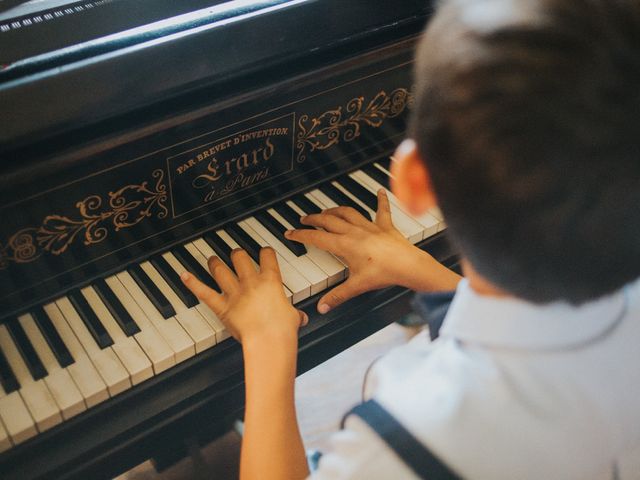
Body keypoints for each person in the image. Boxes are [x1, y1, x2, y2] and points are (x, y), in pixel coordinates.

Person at [180, 0, 640, 477]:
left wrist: (269, 343)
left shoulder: (400, 448)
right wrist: (420, 269)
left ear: (413, 182)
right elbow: (550, 331)